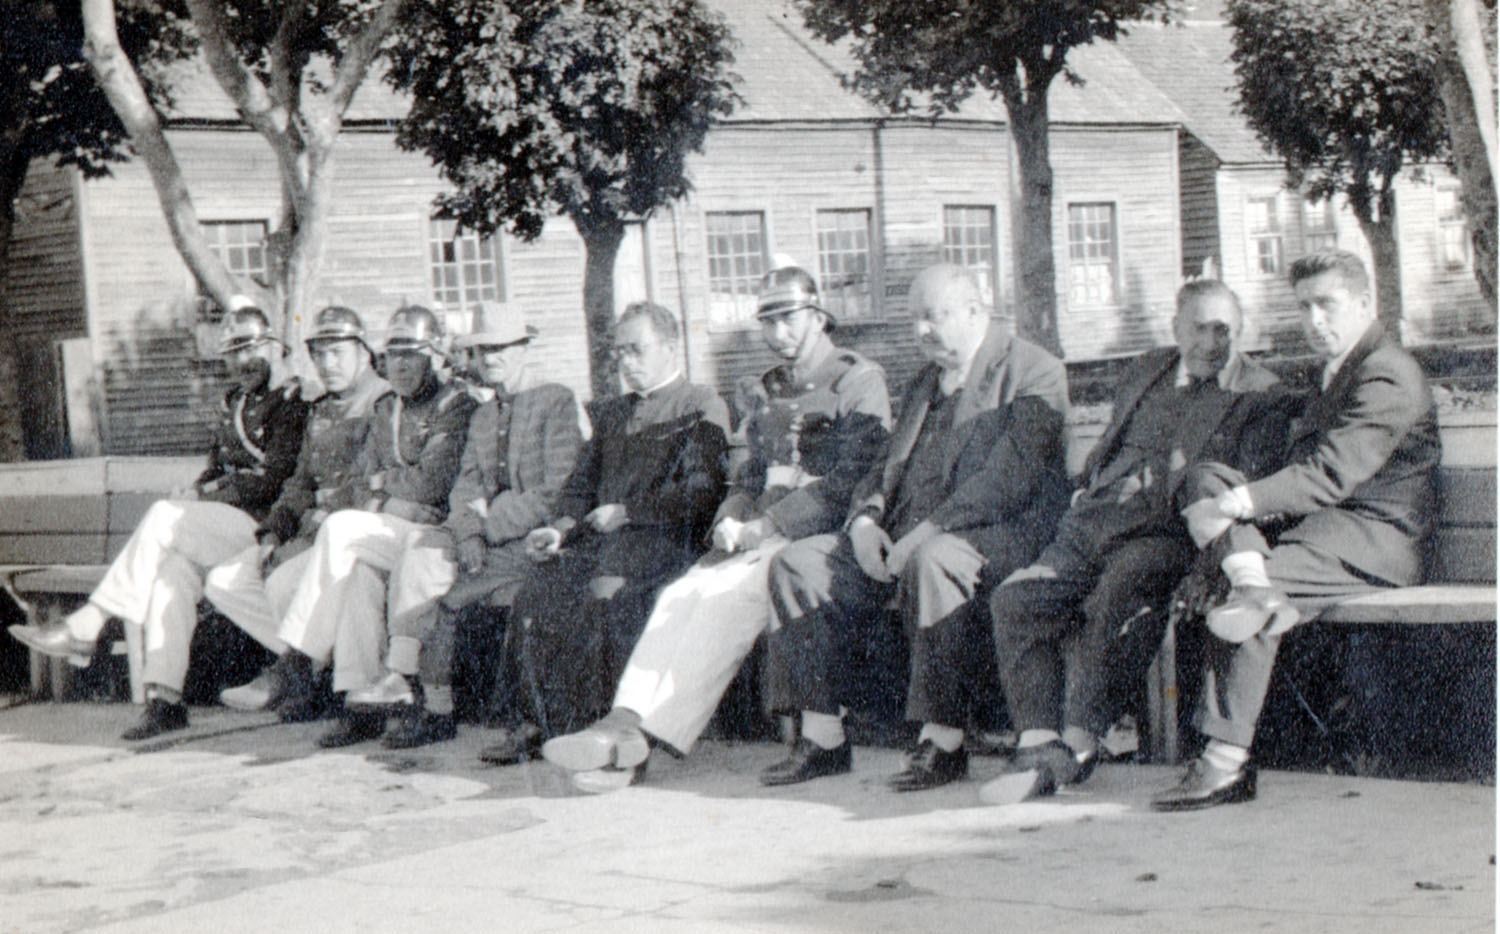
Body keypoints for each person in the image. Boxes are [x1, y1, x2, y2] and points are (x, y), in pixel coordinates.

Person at [540, 266, 891, 791]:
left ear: (818, 316)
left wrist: (769, 523)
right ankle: (624, 719)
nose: (777, 333)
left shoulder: (857, 378)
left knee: (725, 597)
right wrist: (732, 513)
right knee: (685, 592)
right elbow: (750, 469)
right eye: (767, 321)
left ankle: (639, 743)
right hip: (762, 529)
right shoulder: (773, 387)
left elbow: (852, 479)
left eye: (788, 319)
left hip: (820, 531)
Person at [756, 263, 1070, 788]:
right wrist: (865, 520)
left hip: (995, 535)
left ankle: (942, 740)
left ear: (976, 311)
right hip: (903, 535)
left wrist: (926, 533)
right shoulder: (925, 380)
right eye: (914, 321)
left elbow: (1007, 481)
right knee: (798, 564)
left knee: (934, 559)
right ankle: (823, 738)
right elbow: (886, 465)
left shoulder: (1032, 370)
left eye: (934, 317)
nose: (922, 332)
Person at [983, 278, 1291, 804]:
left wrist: (1204, 570)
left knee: (1120, 590)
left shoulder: (1259, 395)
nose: (1212, 342)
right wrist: (1087, 489)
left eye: (1224, 330)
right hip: (1091, 525)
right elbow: (1111, 443)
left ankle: (1078, 744)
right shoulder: (1148, 369)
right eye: (1200, 328)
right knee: (1017, 597)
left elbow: (1242, 497)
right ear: (1175, 328)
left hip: (1164, 534)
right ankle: (1037, 740)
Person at [1157, 250, 1439, 811]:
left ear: (1364, 303)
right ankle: (1249, 578)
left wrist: (1239, 503)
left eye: (1326, 305)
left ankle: (1223, 764)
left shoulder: (1387, 373)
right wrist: (1227, 492)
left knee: (1257, 580)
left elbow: (1328, 473)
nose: (1313, 320)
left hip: (1375, 540)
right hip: (1323, 529)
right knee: (1203, 477)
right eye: (1303, 307)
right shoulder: (1338, 369)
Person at [8, 302, 308, 740]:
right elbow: (216, 466)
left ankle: (90, 622)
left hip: (263, 527)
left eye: (250, 349)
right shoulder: (234, 402)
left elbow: (273, 479)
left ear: (273, 347)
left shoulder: (291, 401)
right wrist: (198, 488)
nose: (242, 362)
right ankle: (164, 699)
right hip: (220, 531)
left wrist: (203, 495)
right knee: (171, 575)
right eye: (233, 352)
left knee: (165, 517)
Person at [478, 301, 730, 766]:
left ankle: (615, 737)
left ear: (672, 347)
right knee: (539, 590)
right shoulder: (612, 414)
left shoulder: (700, 404)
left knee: (607, 591)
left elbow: (702, 492)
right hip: (602, 541)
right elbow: (579, 484)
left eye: (637, 350)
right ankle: (540, 723)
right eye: (620, 353)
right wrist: (559, 529)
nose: (627, 363)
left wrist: (630, 512)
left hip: (665, 541)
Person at [229, 305, 478, 748]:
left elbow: (432, 482)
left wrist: (386, 492)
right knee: (356, 577)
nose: (399, 365)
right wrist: (389, 495)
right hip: (397, 526)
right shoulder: (388, 409)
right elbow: (363, 481)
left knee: (343, 531)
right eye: (393, 354)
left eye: (413, 354)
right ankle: (362, 704)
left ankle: (298, 662)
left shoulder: (454, 405)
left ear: (437, 355)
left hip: (434, 537)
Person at [341, 305, 585, 749]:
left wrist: (486, 530)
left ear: (522, 348)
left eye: (499, 348)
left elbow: (556, 491)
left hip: (538, 539)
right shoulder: (485, 414)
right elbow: (465, 485)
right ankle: (407, 682)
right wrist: (468, 532)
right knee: (423, 549)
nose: (489, 358)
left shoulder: (556, 400)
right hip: (485, 539)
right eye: (480, 350)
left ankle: (436, 707)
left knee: (450, 595)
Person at [206, 305, 390, 714]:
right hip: (313, 529)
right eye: (319, 354)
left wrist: (310, 529)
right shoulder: (323, 408)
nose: (327, 364)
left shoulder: (381, 401)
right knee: (228, 582)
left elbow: (367, 483)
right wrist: (276, 529)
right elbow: (301, 480)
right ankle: (314, 671)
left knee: (283, 584)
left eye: (337, 352)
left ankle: (296, 670)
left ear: (363, 351)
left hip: (358, 527)